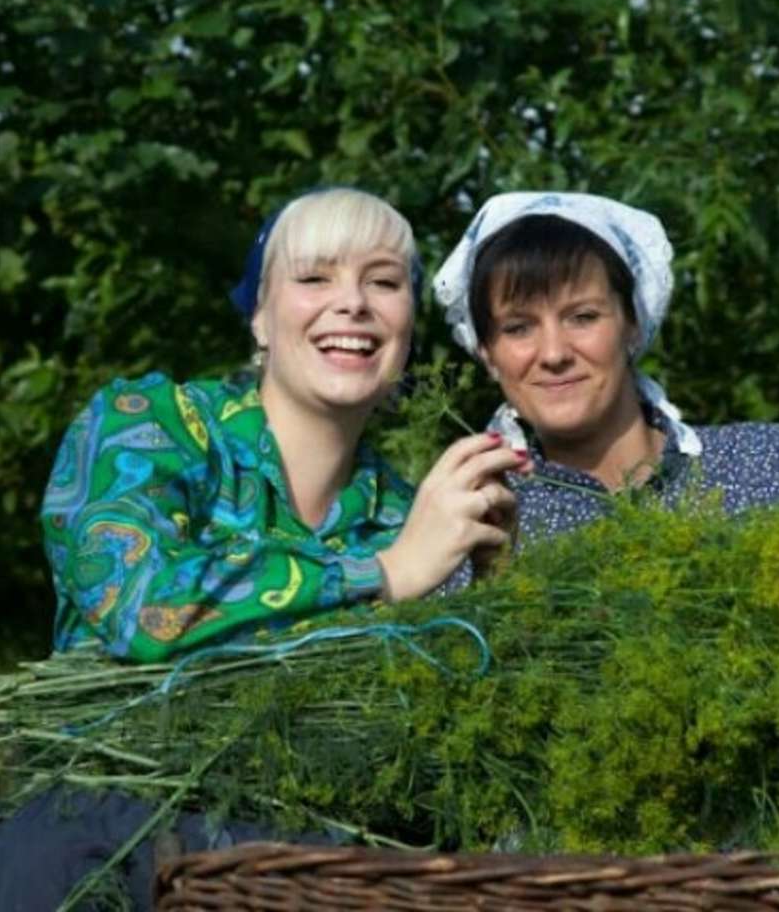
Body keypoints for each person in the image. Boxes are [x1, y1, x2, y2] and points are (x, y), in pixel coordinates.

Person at [43, 187, 525, 659]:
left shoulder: (406, 517)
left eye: (383, 282)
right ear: (259, 316)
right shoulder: (149, 425)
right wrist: (382, 575)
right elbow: (137, 609)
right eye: (315, 278)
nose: (353, 303)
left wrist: (487, 587)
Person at [430, 191, 779, 578]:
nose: (554, 354)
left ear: (633, 323)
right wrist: (491, 575)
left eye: (583, 317)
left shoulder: (774, 466)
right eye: (518, 328)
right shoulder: (470, 531)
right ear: (487, 353)